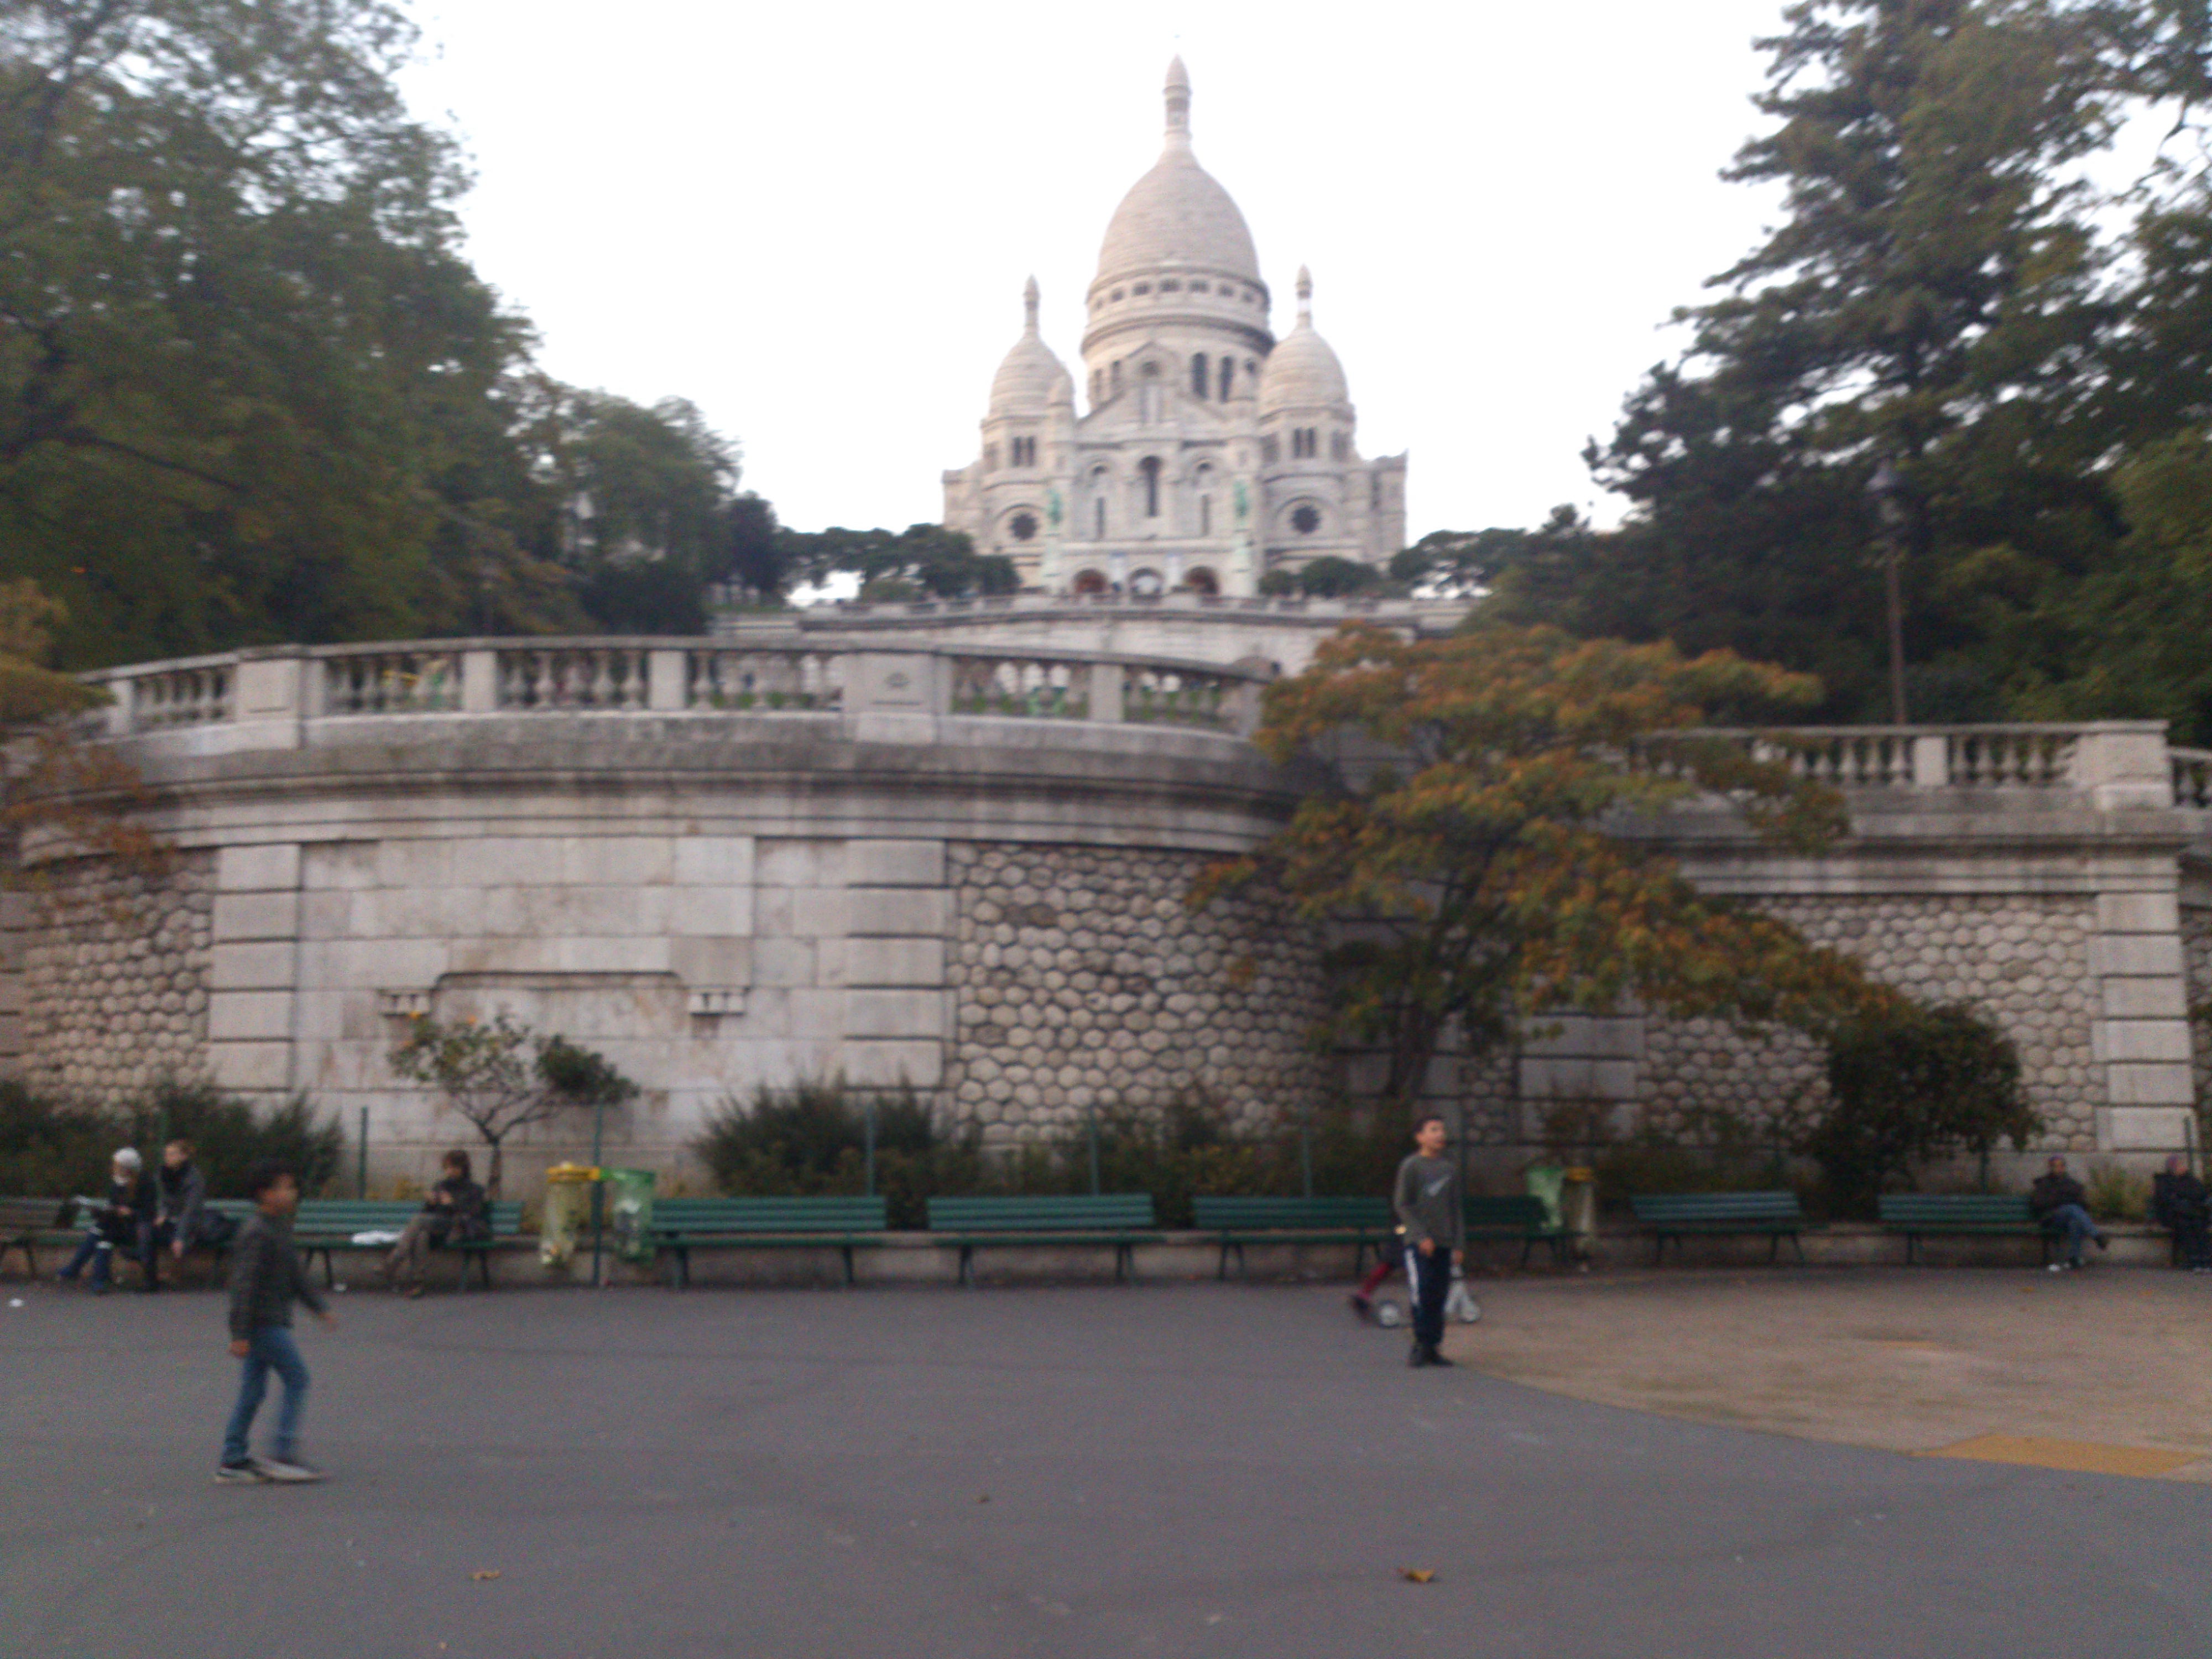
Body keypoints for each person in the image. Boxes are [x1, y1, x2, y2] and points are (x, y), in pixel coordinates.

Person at [218, 1160, 335, 1484]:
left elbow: (295, 1276)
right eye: (286, 1187)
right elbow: (243, 1285)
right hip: (262, 1323)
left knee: (252, 1392)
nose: (293, 1192)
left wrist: (319, 1307)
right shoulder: (257, 1233)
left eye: (292, 1186)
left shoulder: (277, 1227)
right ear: (265, 1194)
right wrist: (239, 1333)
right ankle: (281, 1453)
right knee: (297, 1379)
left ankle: (232, 1459)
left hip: (269, 1321)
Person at [1392, 1113, 1464, 1368]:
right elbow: (1403, 1204)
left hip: (1444, 1243)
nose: (1440, 1135)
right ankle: (1420, 1345)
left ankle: (1434, 1345)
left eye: (1442, 1130)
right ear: (1420, 1137)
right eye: (1433, 1130)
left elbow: (1456, 1208)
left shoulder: (1449, 1169)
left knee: (1438, 1295)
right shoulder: (1411, 1166)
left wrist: (1458, 1244)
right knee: (1421, 1292)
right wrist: (1421, 1236)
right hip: (1418, 1244)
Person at [384, 1149, 489, 1297]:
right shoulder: (441, 1186)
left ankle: (393, 1262)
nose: (450, 1171)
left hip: (458, 1230)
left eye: (454, 1168)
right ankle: (417, 1284)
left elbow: (475, 1214)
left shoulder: (475, 1190)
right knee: (422, 1236)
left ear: (463, 1169)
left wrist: (452, 1204)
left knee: (419, 1220)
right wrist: (431, 1203)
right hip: (438, 1229)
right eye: (447, 1168)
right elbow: (429, 1213)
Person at [58, 1148, 157, 1294]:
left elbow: (148, 1213)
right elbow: (113, 1207)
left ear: (127, 1167)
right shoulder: (116, 1184)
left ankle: (78, 1270)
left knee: (101, 1232)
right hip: (116, 1226)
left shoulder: (145, 1184)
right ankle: (96, 1280)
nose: (114, 1168)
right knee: (104, 1236)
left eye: (117, 1165)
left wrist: (130, 1213)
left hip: (135, 1229)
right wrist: (99, 1212)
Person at [149, 1139, 232, 1288]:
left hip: (192, 1223)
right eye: (167, 1154)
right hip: (171, 1220)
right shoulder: (162, 1175)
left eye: (173, 1154)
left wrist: (180, 1236)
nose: (168, 1158)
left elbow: (191, 1211)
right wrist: (162, 1214)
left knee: (179, 1238)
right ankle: (153, 1276)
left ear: (184, 1156)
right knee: (150, 1231)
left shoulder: (194, 1179)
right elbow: (161, 1199)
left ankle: (174, 1274)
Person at [2029, 1155, 2108, 1272]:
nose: (2059, 1169)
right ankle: (2096, 1236)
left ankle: (2074, 1258)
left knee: (2075, 1222)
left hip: (2069, 1216)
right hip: (2051, 1217)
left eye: (2062, 1166)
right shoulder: (2044, 1183)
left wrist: (2068, 1200)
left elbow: (2082, 1202)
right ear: (2051, 1168)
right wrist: (2061, 1200)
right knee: (2071, 1208)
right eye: (2056, 1166)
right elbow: (2039, 1204)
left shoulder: (2071, 1183)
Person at [2152, 1154, 2211, 1271]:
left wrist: (2183, 1197)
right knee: (2185, 1225)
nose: (2183, 1167)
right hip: (2173, 1215)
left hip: (2193, 1213)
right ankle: (2193, 1259)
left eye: (2183, 1165)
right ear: (2172, 1167)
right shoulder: (2163, 1180)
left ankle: (2205, 1258)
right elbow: (2165, 1199)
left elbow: (2201, 1194)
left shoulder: (2191, 1179)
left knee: (2199, 1224)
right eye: (2180, 1165)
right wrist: (2184, 1198)